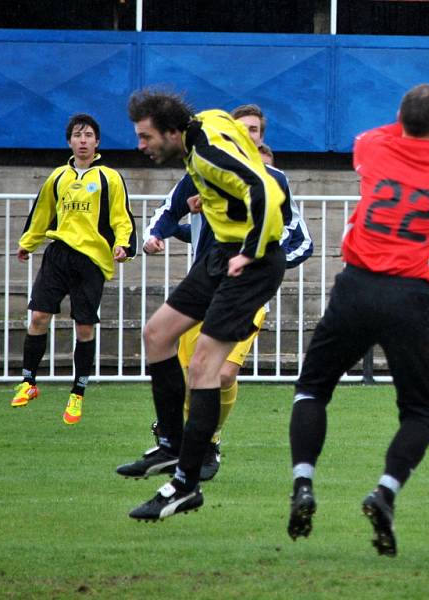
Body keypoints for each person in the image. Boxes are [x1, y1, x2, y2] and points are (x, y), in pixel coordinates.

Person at [287, 83, 429, 556]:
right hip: (408, 294)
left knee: (312, 389)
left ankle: (303, 482)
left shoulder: (372, 145)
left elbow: (385, 133)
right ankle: (385, 491)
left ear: (401, 117)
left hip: (356, 285)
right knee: (422, 413)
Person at [117, 103, 312, 482]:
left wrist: (253, 252)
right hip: (210, 269)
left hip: (246, 276)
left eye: (145, 137)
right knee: (161, 339)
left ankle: (199, 459)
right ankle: (172, 444)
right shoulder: (204, 139)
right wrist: (159, 233)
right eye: (244, 129)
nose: (248, 136)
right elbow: (170, 212)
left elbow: (276, 210)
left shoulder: (228, 162)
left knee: (215, 372)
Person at [11, 113, 137, 425]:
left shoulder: (109, 177)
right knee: (39, 316)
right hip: (58, 255)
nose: (83, 141)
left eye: (89, 135)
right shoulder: (57, 177)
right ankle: (28, 382)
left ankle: (77, 392)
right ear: (69, 141)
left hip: (91, 260)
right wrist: (28, 242)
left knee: (83, 327)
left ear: (97, 142)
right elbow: (41, 213)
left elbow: (122, 217)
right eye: (78, 135)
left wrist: (124, 245)